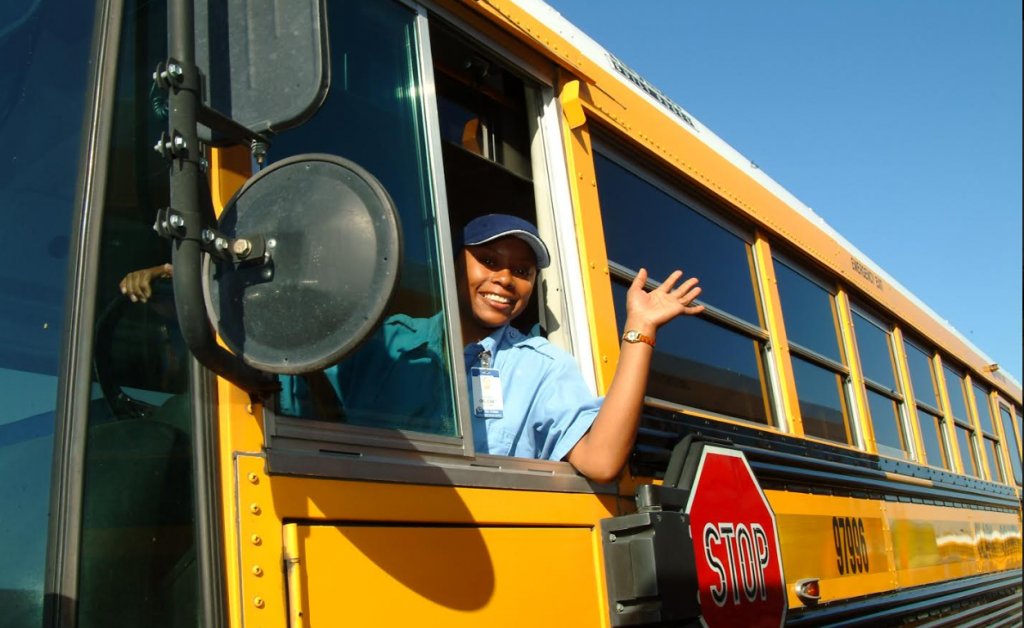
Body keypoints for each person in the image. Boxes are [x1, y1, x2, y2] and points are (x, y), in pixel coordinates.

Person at [122, 215, 705, 482]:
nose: (506, 279)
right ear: (456, 265)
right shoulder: (391, 339)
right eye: (490, 261)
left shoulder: (542, 367)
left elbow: (601, 463)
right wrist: (194, 274)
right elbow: (302, 323)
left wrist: (640, 333)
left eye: (523, 271)